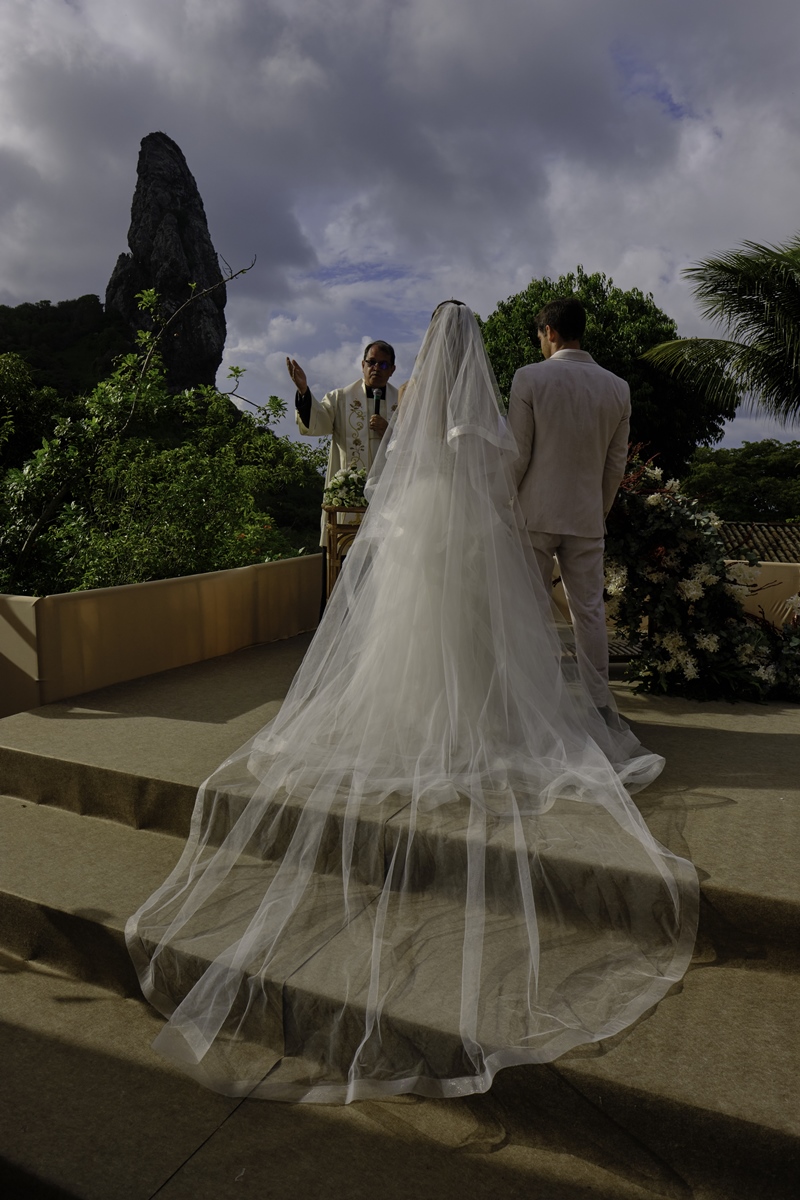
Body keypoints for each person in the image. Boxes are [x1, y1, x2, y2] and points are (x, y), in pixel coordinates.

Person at [127, 303, 697, 1105]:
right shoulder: (528, 394)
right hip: (501, 525)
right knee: (536, 629)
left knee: (416, 639)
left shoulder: (438, 398)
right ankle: (582, 707)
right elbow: (513, 462)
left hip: (423, 533)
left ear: (421, 353)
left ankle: (430, 720)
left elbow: (413, 469)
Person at [507, 297, 629, 706]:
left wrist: (502, 502)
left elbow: (518, 455)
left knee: (532, 609)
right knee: (590, 611)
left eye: (540, 336)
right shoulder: (618, 387)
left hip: (534, 513)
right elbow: (615, 466)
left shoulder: (528, 378)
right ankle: (599, 703)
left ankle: (535, 702)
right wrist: (599, 509)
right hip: (586, 514)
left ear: (551, 334)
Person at [287, 341, 400, 545]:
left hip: (390, 500)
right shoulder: (340, 398)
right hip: (349, 502)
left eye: (383, 365)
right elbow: (317, 423)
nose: (376, 368)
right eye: (372, 362)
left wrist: (390, 431)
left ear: (392, 370)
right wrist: (304, 391)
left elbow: (416, 444)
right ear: (362, 365)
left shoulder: (402, 403)